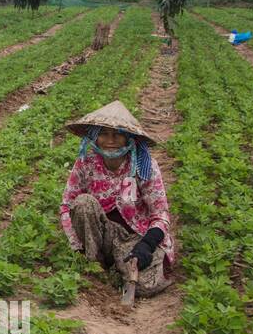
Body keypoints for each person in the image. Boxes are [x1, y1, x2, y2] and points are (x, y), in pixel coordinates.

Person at [59, 100, 173, 297]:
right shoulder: (86, 163)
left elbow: (160, 213)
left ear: (129, 138)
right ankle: (94, 263)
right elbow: (66, 206)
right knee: (83, 204)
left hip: (133, 238)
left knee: (144, 286)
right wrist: (77, 246)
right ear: (95, 137)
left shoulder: (143, 166)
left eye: (118, 134)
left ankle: (123, 263)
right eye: (103, 133)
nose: (110, 140)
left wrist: (147, 244)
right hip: (100, 235)